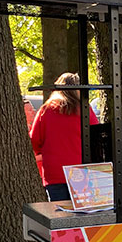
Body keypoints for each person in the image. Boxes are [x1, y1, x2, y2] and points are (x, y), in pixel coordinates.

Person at [30, 72, 98, 201]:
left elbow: (34, 141)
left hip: (55, 173)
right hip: (82, 172)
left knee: (60, 216)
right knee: (83, 215)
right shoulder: (85, 110)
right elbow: (96, 136)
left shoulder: (46, 110)